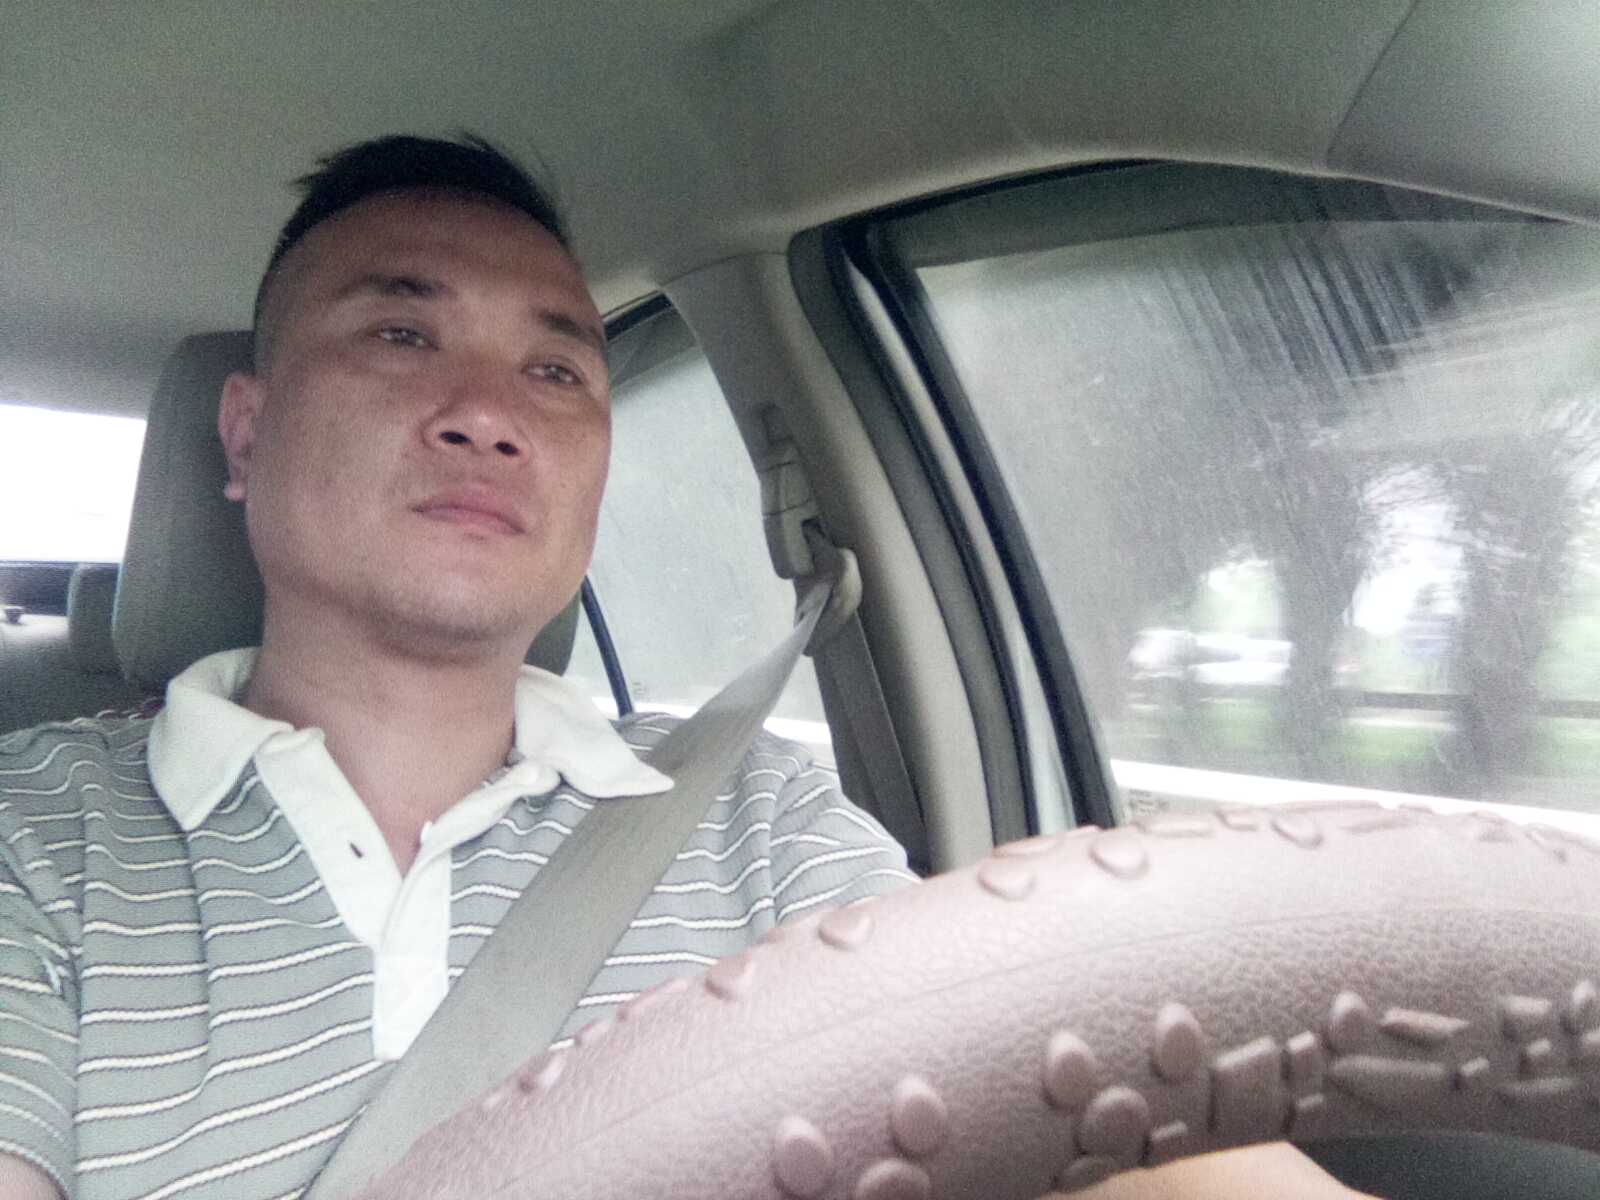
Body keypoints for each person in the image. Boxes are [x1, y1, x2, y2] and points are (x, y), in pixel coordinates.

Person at [0, 136, 1372, 1200]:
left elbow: (1074, 1098)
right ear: (245, 436)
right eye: (402, 335)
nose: (488, 416)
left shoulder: (757, 820)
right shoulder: (34, 838)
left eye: (557, 373)